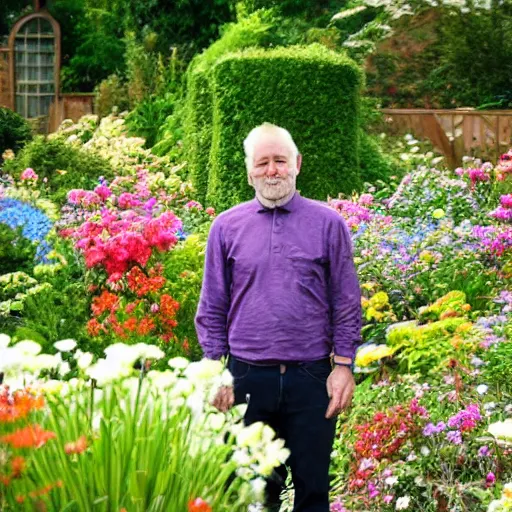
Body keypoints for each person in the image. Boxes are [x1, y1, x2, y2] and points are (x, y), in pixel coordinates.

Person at [195, 122, 362, 512]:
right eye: (263, 162)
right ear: (250, 170)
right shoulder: (227, 226)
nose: (272, 170)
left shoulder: (328, 224)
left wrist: (343, 365)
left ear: (297, 164)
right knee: (251, 492)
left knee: (313, 490)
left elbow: (346, 300)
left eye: (280, 161)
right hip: (247, 378)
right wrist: (215, 371)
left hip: (312, 378)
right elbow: (212, 304)